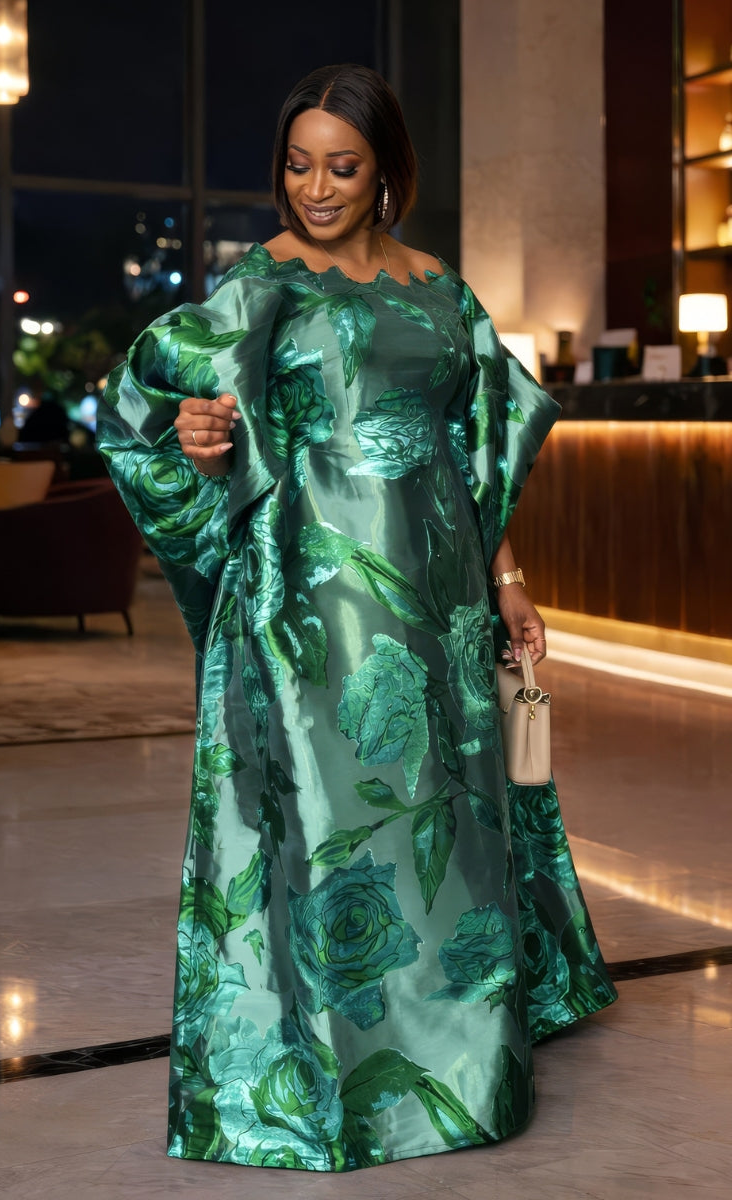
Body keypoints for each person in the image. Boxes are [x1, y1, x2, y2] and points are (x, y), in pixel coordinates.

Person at [97, 63, 617, 1172]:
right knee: (332, 814)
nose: (315, 188)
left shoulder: (439, 289)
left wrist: (509, 580)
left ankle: (463, 1061)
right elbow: (154, 409)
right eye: (298, 165)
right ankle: (341, 1080)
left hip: (440, 595)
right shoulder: (261, 284)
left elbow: (476, 455)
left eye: (341, 166)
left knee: (450, 816)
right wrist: (200, 441)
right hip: (310, 592)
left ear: (386, 171)